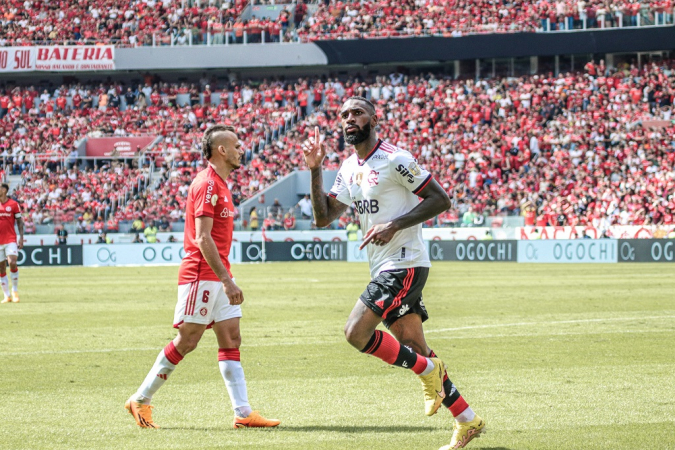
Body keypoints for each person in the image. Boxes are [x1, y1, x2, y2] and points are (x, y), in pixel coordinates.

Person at [302, 97, 484, 450]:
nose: (349, 119)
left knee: (355, 332)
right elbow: (323, 217)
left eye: (357, 113)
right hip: (383, 264)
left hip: (404, 262)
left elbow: (440, 199)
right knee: (416, 348)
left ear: (374, 118)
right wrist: (314, 169)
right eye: (343, 116)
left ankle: (428, 372)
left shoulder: (396, 159)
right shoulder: (348, 168)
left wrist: (394, 224)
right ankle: (467, 419)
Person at [126, 125, 279, 430]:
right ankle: (140, 399)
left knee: (231, 337)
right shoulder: (207, 183)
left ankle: (243, 413)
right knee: (188, 339)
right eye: (236, 145)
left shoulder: (221, 183)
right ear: (221, 150)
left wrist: (225, 277)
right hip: (202, 274)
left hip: (218, 274)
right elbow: (202, 238)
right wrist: (226, 280)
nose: (240, 150)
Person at [0, 183, 23, 304]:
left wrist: (21, 238)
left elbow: (19, 221)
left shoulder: (13, 204)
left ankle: (14, 291)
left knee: (12, 262)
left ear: (4, 190)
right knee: (1, 268)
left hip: (10, 239)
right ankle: (6, 295)